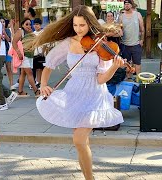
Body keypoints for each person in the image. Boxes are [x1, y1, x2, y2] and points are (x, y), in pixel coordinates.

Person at [31, 5, 124, 179]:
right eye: (75, 25)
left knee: (79, 139)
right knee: (82, 143)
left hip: (94, 94)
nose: (78, 29)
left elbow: (101, 79)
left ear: (90, 24)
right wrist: (43, 85)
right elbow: (48, 65)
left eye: (82, 25)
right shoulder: (68, 43)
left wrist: (114, 67)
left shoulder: (101, 44)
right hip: (74, 92)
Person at [12, 18, 40, 97]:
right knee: (30, 73)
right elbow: (14, 42)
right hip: (23, 56)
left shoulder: (30, 32)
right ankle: (36, 91)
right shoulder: (20, 31)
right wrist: (18, 52)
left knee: (23, 74)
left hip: (29, 55)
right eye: (26, 24)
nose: (28, 26)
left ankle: (20, 92)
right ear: (22, 25)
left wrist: (31, 32)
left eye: (30, 24)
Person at [118, 0, 144, 79]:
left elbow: (142, 29)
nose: (126, 5)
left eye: (128, 4)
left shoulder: (137, 14)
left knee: (137, 64)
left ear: (131, 5)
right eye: (125, 4)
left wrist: (142, 40)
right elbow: (119, 29)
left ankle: (138, 81)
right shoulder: (121, 16)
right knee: (127, 65)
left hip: (136, 44)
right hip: (125, 45)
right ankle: (129, 81)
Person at [0, 17, 14, 90]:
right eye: (0, 22)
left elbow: (9, 40)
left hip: (7, 51)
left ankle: (11, 84)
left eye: (3, 22)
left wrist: (4, 32)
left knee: (8, 67)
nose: (2, 23)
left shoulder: (7, 30)